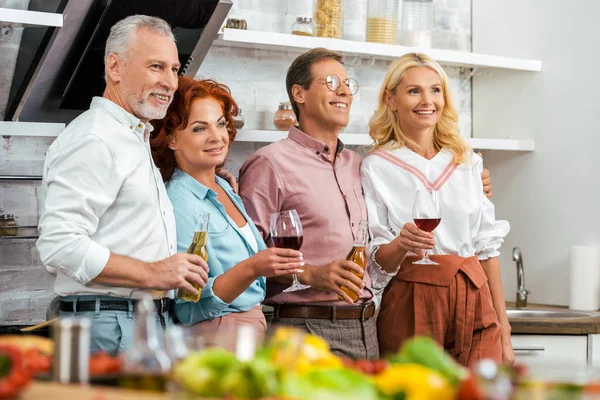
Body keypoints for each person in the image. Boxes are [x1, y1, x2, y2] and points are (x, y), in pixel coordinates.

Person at [36, 15, 209, 355]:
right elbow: (59, 245)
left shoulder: (132, 135)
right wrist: (152, 272)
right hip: (108, 326)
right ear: (115, 66)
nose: (170, 82)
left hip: (138, 321)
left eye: (174, 69)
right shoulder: (95, 138)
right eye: (156, 67)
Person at [361, 52, 513, 366]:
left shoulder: (466, 159)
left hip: (474, 292)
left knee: (481, 391)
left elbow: (487, 247)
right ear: (391, 100)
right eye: (413, 90)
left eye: (435, 89)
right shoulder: (376, 166)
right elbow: (376, 259)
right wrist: (402, 244)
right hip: (413, 297)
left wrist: (505, 328)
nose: (427, 100)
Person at [151, 76, 304, 338]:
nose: (217, 137)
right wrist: (253, 267)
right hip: (216, 333)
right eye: (200, 129)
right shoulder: (178, 202)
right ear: (171, 139)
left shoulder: (225, 189)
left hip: (249, 327)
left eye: (220, 124)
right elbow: (189, 307)